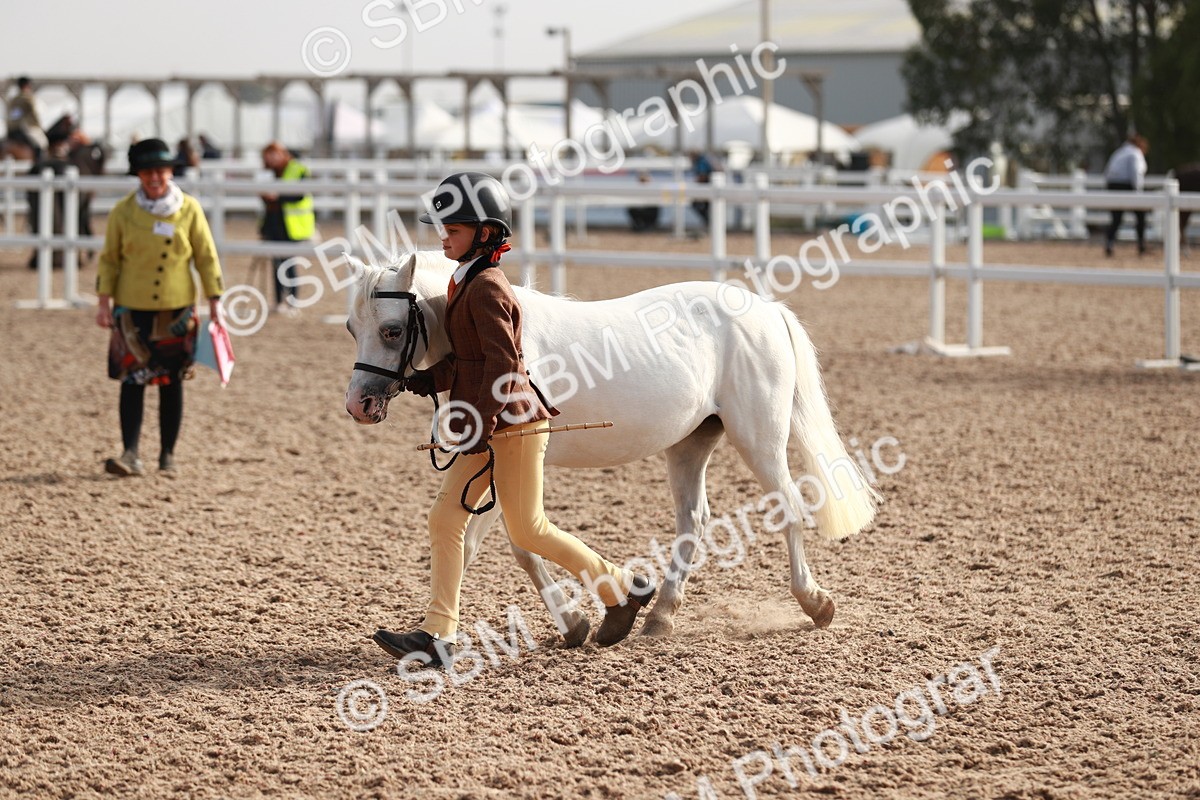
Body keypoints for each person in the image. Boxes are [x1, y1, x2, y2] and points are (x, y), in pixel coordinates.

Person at [372, 172, 655, 665]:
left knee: (528, 530)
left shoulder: (485, 288)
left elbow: (504, 365)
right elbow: (467, 359)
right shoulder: (464, 279)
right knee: (445, 517)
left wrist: (477, 421)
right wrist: (413, 381)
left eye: (453, 230)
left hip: (515, 424)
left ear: (485, 233)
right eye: (442, 229)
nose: (443, 238)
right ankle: (439, 633)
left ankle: (624, 588)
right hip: (487, 423)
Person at [95, 138, 224, 477]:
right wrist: (103, 301)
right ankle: (130, 453)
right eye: (147, 172)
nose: (154, 178)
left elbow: (206, 257)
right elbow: (109, 260)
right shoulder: (123, 211)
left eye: (160, 172)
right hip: (132, 309)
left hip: (176, 309)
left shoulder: (190, 209)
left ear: (170, 172)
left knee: (172, 382)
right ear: (138, 175)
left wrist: (215, 300)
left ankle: (167, 455)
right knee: (131, 381)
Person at [259, 142, 314, 315]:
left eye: (274, 154)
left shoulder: (298, 169)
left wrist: (277, 197)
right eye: (269, 156)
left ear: (282, 153)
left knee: (288, 263)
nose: (272, 159)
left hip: (291, 225)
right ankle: (278, 301)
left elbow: (299, 194)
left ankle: (293, 301)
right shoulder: (269, 172)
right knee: (276, 263)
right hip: (274, 221)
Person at [1103, 134, 1149, 256]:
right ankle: (1141, 245)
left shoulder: (1119, 152)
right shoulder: (1135, 153)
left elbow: (1107, 172)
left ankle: (1109, 243)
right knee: (1140, 215)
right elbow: (1136, 172)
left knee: (1116, 218)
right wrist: (1138, 191)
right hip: (1127, 185)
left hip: (1112, 185)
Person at [6, 76, 47, 161]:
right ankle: (39, 164)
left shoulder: (13, 99)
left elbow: (10, 115)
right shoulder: (28, 98)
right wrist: (39, 125)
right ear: (27, 85)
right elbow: (34, 113)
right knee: (41, 144)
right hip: (24, 128)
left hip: (11, 130)